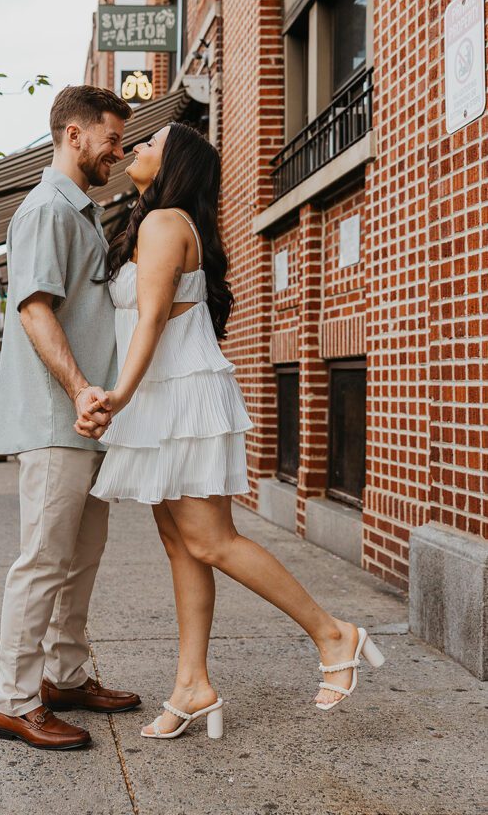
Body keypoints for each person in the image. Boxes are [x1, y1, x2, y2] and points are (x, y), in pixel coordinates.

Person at [85, 122, 386, 740]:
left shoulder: (164, 223)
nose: (135, 150)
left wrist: (118, 396)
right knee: (181, 543)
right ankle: (193, 683)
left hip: (176, 396)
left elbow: (148, 325)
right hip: (163, 397)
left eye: (149, 145)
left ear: (175, 166)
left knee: (212, 539)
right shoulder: (156, 221)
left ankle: (334, 634)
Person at [0, 84, 141, 753]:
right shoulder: (49, 209)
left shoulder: (80, 210)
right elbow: (33, 309)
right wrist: (81, 389)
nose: (119, 150)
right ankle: (15, 702)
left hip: (86, 422)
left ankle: (67, 676)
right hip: (60, 418)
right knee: (44, 562)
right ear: (72, 134)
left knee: (80, 558)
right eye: (110, 137)